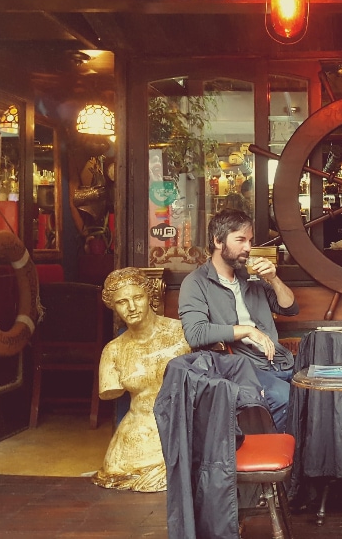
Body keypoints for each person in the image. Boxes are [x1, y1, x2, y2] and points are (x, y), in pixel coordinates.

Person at [178, 208, 299, 432]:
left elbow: (290, 308)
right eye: (240, 240)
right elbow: (195, 333)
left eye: (250, 240)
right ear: (217, 241)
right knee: (286, 398)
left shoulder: (249, 276)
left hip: (279, 361)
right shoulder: (196, 283)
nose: (248, 247)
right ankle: (276, 460)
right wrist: (246, 330)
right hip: (243, 368)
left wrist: (274, 279)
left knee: (317, 394)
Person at [92, 267, 191, 492]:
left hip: (178, 426)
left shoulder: (181, 334)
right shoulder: (114, 351)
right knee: (117, 473)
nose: (132, 307)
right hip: (135, 434)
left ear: (150, 297)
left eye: (138, 297)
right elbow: (110, 391)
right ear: (113, 306)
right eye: (122, 302)